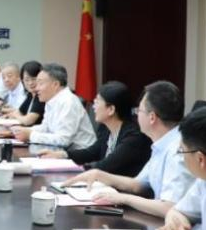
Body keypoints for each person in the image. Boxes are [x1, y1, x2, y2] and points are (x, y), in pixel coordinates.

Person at [63, 80, 195, 218]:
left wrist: (124, 198)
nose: (136, 115)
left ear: (152, 118)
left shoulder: (178, 151)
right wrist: (99, 175)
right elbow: (138, 184)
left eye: (139, 110)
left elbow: (169, 207)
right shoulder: (161, 144)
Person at [44, 81, 150, 176]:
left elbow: (105, 166)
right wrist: (63, 155)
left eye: (97, 101)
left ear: (111, 109)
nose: (94, 106)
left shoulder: (133, 137)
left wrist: (67, 170)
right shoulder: (105, 128)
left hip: (122, 189)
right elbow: (92, 152)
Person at [11, 63, 95, 150]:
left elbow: (63, 140)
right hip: (60, 151)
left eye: (40, 83)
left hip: (80, 155)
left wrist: (30, 135)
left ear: (55, 84)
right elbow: (45, 127)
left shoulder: (68, 102)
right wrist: (22, 131)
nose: (36, 88)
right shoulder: (51, 100)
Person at [0, 60, 44, 127]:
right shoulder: (30, 94)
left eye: (33, 79)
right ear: (22, 80)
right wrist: (10, 116)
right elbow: (19, 112)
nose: (30, 83)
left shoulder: (41, 96)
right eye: (27, 80)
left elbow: (28, 120)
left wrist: (16, 116)